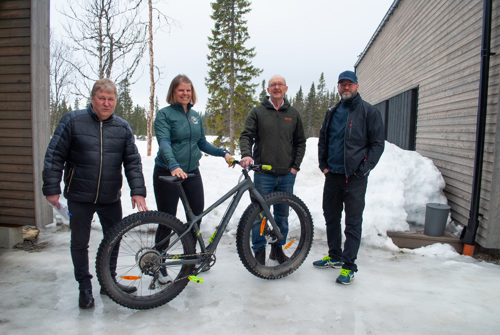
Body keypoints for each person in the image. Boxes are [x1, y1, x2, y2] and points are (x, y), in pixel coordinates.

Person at [42, 78, 148, 309]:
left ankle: (108, 282)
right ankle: (84, 287)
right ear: (93, 99)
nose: (106, 103)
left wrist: (137, 191)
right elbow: (54, 156)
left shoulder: (122, 128)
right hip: (79, 197)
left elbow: (132, 162)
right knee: (80, 243)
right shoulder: (72, 121)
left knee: (114, 238)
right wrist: (52, 189)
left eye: (111, 99)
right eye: (102, 98)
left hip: (110, 197)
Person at [153, 74, 234, 283]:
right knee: (167, 219)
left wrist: (223, 153)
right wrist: (173, 165)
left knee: (196, 216)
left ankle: (189, 259)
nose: (185, 94)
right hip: (167, 172)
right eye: (181, 90)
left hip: (191, 172)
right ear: (173, 92)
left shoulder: (196, 116)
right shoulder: (164, 114)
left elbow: (202, 143)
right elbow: (164, 143)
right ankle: (158, 264)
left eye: (188, 90)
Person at [314, 70, 384, 285]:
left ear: (357, 86)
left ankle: (348, 265)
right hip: (332, 175)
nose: (346, 87)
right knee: (331, 216)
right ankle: (334, 255)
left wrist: (363, 169)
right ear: (337, 87)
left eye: (349, 84)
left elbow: (377, 144)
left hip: (354, 177)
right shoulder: (332, 111)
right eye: (342, 84)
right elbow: (324, 139)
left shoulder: (368, 112)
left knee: (352, 221)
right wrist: (323, 165)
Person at [239, 74, 306, 265]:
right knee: (259, 215)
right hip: (263, 175)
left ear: (285, 89)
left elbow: (300, 142)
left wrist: (294, 168)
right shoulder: (258, 111)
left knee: (282, 215)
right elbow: (246, 136)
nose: (276, 87)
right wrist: (247, 154)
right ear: (268, 90)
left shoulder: (292, 114)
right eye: (272, 85)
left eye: (280, 85)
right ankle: (259, 252)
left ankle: (277, 250)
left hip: (286, 175)